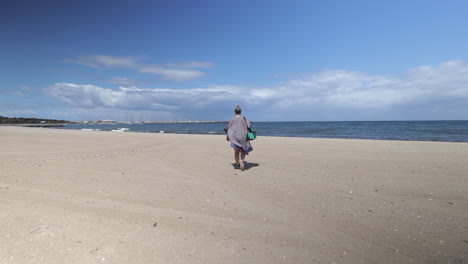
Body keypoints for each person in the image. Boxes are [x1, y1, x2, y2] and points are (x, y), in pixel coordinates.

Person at [226, 105, 253, 171]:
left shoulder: (232, 119)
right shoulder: (244, 118)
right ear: (240, 112)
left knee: (236, 152)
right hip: (243, 136)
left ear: (235, 112)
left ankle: (237, 164)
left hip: (234, 137)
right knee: (243, 151)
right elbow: (249, 125)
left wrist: (227, 136)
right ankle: (241, 160)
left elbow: (229, 128)